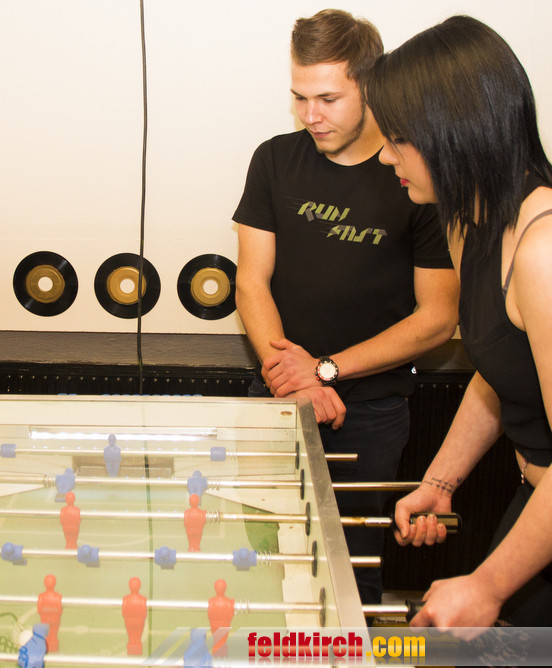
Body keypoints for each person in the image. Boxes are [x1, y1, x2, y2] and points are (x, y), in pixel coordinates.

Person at [232, 9, 459, 604]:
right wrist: (295, 379)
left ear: (371, 86)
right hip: (279, 394)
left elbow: (437, 317)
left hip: (370, 411)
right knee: (264, 566)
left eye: (328, 99)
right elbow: (250, 283)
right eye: (299, 97)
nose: (311, 115)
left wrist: (325, 370)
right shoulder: (274, 159)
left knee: (350, 576)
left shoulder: (416, 174)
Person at [365, 15, 552, 630]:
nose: (385, 155)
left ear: (457, 134)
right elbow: (500, 369)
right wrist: (441, 481)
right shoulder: (468, 220)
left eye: (398, 139)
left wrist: (488, 585)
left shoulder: (543, 249)